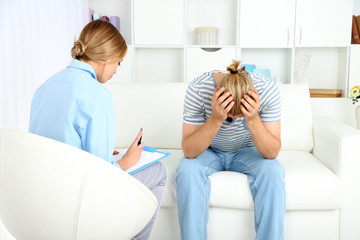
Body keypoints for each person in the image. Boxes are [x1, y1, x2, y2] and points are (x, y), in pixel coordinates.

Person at [29, 19, 166, 240]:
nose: (116, 71)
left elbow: (52, 144)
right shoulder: (97, 95)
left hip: (44, 194)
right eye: (118, 63)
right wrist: (126, 161)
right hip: (80, 198)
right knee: (159, 171)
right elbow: (102, 174)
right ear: (108, 58)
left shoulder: (44, 86)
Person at [176, 60, 286, 240]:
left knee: (273, 171)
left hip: (247, 151)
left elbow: (272, 152)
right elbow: (189, 151)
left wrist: (252, 118)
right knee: (187, 170)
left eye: (239, 116)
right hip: (208, 151)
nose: (234, 120)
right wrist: (216, 118)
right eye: (230, 117)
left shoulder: (267, 90)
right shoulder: (198, 88)